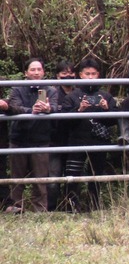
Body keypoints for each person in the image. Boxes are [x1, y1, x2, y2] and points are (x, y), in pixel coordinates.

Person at [60, 58, 119, 212]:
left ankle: (95, 206)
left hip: (99, 141)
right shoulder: (72, 96)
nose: (90, 77)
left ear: (98, 74)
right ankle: (71, 207)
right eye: (87, 74)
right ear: (80, 75)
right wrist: (79, 110)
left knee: (96, 175)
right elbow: (63, 123)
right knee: (73, 175)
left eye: (93, 74)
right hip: (77, 141)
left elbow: (114, 121)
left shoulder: (105, 96)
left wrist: (106, 110)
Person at [5, 57, 59, 213]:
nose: (36, 73)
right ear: (25, 73)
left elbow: (55, 106)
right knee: (17, 179)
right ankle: (16, 209)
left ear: (44, 72)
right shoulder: (17, 89)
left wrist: (49, 109)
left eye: (39, 69)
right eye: (32, 69)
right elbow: (14, 107)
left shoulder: (51, 90)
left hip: (41, 140)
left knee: (40, 179)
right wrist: (32, 111)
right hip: (19, 139)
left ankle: (40, 211)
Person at [48, 60, 77, 211]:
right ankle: (51, 209)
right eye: (64, 73)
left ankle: (71, 209)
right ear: (57, 76)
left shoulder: (80, 93)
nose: (68, 76)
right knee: (53, 179)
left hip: (74, 142)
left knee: (73, 179)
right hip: (55, 142)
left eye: (71, 73)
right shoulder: (51, 93)